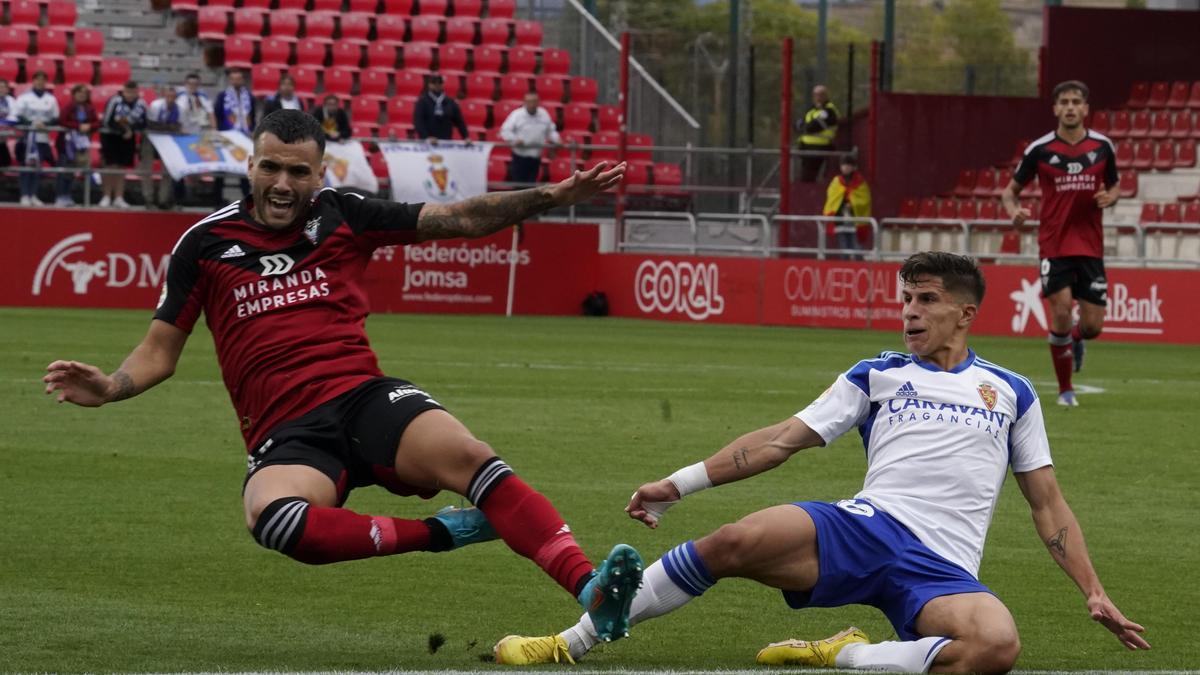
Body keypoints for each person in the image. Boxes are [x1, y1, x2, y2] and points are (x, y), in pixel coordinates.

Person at [43, 109, 642, 644]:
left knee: (473, 458)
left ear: (320, 174)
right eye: (271, 168)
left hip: (364, 399)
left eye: (298, 173)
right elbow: (159, 351)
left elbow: (459, 217)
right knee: (273, 520)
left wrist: (552, 195)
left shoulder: (345, 214)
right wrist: (111, 386)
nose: (283, 185)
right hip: (288, 433)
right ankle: (442, 533)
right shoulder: (203, 244)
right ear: (249, 165)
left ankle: (592, 592)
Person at [494, 251, 1149, 672]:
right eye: (906, 298)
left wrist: (1093, 589)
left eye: (925, 300)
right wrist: (680, 482)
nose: (910, 311)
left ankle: (848, 652)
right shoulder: (877, 375)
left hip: (942, 570)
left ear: (964, 312)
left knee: (997, 645)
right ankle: (572, 639)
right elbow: (782, 439)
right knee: (733, 539)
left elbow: (1047, 503)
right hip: (864, 528)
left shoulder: (1011, 391)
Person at [1001, 80, 1119, 408]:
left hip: (1091, 246)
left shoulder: (1102, 147)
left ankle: (1076, 341)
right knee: (1062, 311)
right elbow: (1009, 191)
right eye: (1063, 101)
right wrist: (1014, 212)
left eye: (1075, 101)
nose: (1069, 107)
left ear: (1085, 109)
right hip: (1053, 244)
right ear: (1055, 109)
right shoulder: (1039, 149)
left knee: (1093, 325)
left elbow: (1115, 186)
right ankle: (1066, 390)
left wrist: (1110, 197)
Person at [12, 70, 59, 206]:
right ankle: (24, 195)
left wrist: (45, 124)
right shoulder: (24, 98)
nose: (40, 82)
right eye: (37, 79)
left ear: (46, 82)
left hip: (42, 137)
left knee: (37, 166)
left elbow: (56, 118)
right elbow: (17, 115)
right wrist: (31, 123)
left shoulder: (51, 99)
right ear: (33, 81)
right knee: (26, 165)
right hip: (26, 138)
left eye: (43, 80)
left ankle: (33, 194)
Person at [98, 80, 147, 208]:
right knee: (110, 167)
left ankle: (119, 197)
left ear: (137, 92)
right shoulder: (115, 101)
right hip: (111, 137)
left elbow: (143, 123)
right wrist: (124, 130)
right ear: (123, 91)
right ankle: (106, 196)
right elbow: (107, 121)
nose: (130, 95)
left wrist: (131, 130)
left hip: (128, 139)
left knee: (121, 168)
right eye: (128, 92)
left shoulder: (141, 104)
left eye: (133, 92)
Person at [214, 67, 256, 203]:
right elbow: (218, 115)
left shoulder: (249, 97)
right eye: (233, 79)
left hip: (244, 137)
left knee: (244, 169)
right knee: (221, 169)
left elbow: (253, 117)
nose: (236, 81)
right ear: (229, 80)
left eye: (238, 78)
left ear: (243, 80)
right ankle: (217, 199)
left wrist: (251, 131)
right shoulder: (222, 96)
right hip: (227, 137)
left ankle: (246, 199)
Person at [499, 91, 560, 185]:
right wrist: (515, 139)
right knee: (518, 187)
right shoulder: (516, 115)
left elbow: (551, 130)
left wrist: (557, 139)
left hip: (536, 157)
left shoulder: (543, 114)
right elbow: (505, 131)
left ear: (538, 102)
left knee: (531, 186)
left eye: (534, 101)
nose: (532, 104)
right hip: (520, 157)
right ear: (524, 102)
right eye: (529, 101)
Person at [54, 84, 99, 207]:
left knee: (72, 171)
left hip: (81, 144)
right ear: (74, 94)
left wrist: (89, 126)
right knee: (64, 170)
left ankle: (68, 195)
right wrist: (77, 126)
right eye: (79, 93)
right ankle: (60, 195)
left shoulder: (89, 108)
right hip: (66, 144)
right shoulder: (69, 106)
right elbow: (62, 120)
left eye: (84, 93)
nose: (81, 95)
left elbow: (97, 122)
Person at [142, 81, 184, 209]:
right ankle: (148, 198)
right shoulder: (156, 105)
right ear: (164, 95)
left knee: (167, 170)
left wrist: (167, 128)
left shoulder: (180, 108)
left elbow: (179, 127)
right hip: (151, 138)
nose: (170, 99)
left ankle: (163, 199)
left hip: (168, 140)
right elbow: (150, 124)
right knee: (147, 169)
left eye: (173, 96)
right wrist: (168, 127)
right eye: (168, 96)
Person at [822, 154, 871, 259]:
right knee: (844, 248)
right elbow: (832, 197)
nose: (846, 168)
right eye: (844, 165)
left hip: (855, 219)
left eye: (848, 165)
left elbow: (865, 199)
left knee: (857, 248)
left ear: (853, 167)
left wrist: (852, 204)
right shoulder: (836, 181)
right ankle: (846, 268)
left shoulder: (860, 182)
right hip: (840, 219)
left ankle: (859, 269)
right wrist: (842, 204)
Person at [795, 84, 839, 183]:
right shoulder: (812, 109)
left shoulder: (829, 110)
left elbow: (812, 127)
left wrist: (804, 127)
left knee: (809, 177)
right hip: (806, 147)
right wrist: (803, 126)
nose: (817, 97)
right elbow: (797, 125)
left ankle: (809, 195)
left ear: (826, 96)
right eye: (815, 95)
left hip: (819, 147)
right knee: (804, 177)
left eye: (821, 95)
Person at [413, 74, 470, 144]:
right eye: (434, 83)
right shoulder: (422, 101)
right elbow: (418, 122)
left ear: (443, 84)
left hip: (446, 143)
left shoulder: (450, 102)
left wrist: (466, 137)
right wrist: (426, 137)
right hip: (427, 144)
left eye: (439, 83)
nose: (437, 85)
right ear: (429, 84)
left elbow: (460, 121)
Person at [0, 78, 17, 169]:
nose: (1, 89)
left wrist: (3, 122)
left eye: (3, 87)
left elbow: (14, 117)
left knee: (5, 163)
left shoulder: (11, 100)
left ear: (7, 89)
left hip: (3, 138)